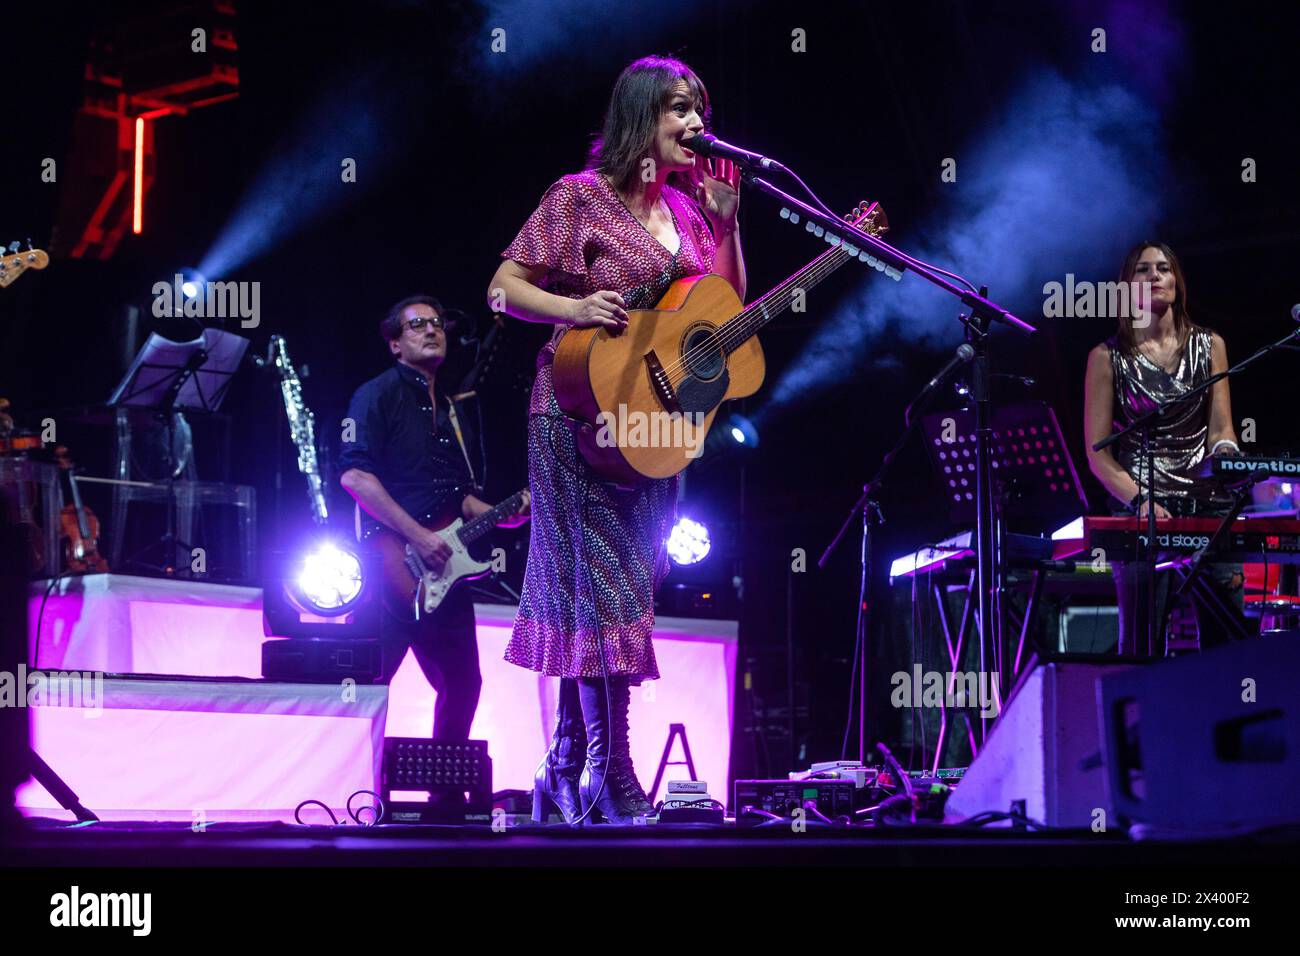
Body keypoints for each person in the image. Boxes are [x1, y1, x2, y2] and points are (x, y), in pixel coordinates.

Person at [487, 55, 745, 823]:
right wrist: (572, 309)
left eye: (699, 108)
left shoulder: (694, 216)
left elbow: (723, 316)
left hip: (656, 426)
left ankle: (563, 767)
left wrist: (728, 225)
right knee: (603, 586)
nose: (695, 123)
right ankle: (612, 772)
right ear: (640, 116)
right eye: (677, 109)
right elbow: (504, 288)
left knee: (620, 591)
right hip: (574, 415)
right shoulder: (580, 198)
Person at [339, 294, 528, 741]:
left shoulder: (449, 407)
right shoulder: (376, 394)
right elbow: (355, 477)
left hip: (445, 570)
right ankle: (359, 789)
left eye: (437, 323)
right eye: (418, 324)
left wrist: (505, 514)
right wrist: (420, 537)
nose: (432, 330)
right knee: (368, 682)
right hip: (390, 567)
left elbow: (459, 498)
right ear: (395, 344)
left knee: (464, 684)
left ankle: (445, 798)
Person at [1083, 241, 1246, 657]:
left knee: (1229, 647)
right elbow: (1097, 453)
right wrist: (1140, 499)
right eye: (1143, 270)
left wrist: (1229, 455)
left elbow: (1222, 430)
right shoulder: (1106, 358)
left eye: (1164, 268)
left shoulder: (1211, 346)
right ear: (1126, 286)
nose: (1155, 276)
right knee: (1141, 648)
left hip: (1208, 507)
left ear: (1177, 281)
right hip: (1141, 513)